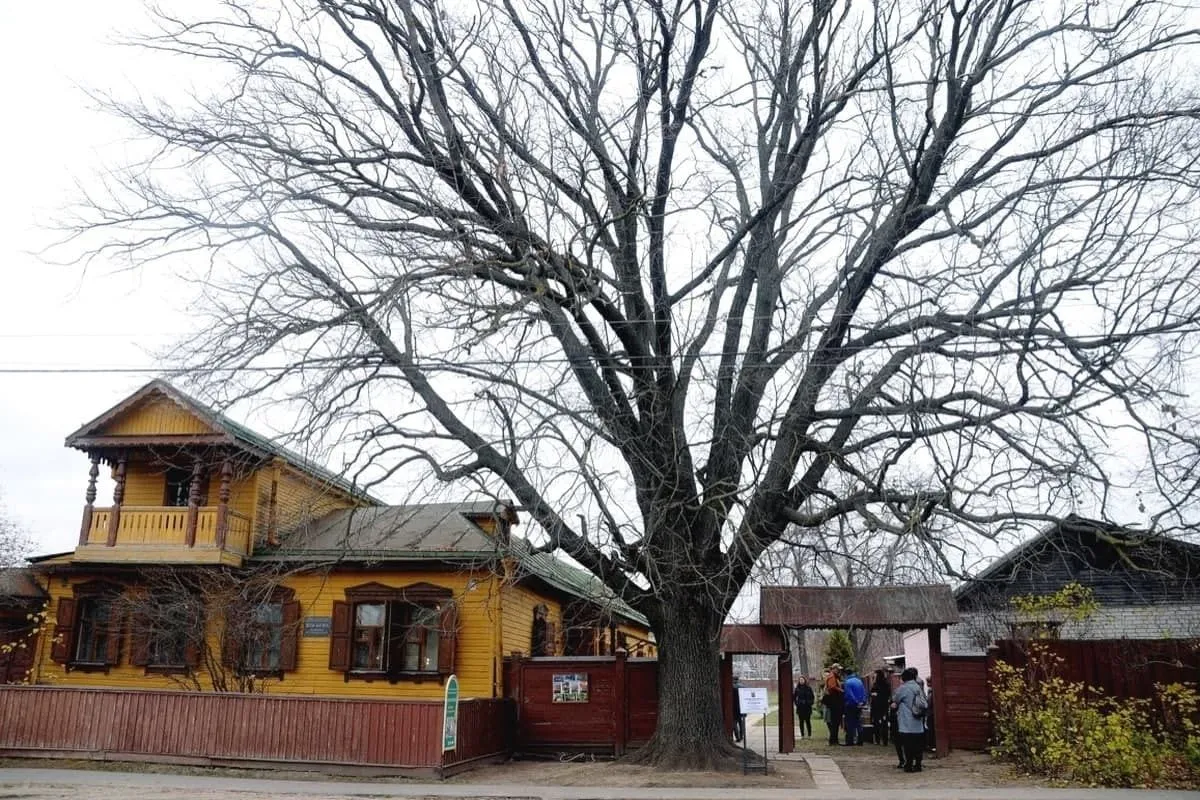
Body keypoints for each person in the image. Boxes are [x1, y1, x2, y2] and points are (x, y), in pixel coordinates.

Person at [892, 667, 927, 772]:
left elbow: (896, 699)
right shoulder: (918, 687)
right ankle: (918, 764)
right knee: (918, 745)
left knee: (908, 745)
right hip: (918, 722)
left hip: (907, 722)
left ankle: (909, 764)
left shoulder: (903, 688)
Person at [842, 668, 867, 746]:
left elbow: (849, 694)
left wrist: (855, 702)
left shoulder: (847, 682)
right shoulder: (859, 681)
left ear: (845, 674)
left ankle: (850, 741)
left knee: (850, 723)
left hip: (851, 705)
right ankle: (860, 740)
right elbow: (864, 692)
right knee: (858, 722)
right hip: (860, 704)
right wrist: (862, 702)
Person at [823, 664, 844, 745]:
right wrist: (841, 690)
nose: (839, 671)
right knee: (835, 721)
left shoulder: (833, 676)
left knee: (835, 721)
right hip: (834, 701)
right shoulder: (832, 676)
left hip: (833, 701)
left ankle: (834, 739)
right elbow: (832, 687)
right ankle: (833, 740)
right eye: (838, 669)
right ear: (834, 669)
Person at [870, 669, 892, 745]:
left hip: (878, 705)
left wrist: (875, 695)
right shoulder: (886, 683)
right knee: (883, 722)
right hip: (884, 705)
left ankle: (878, 739)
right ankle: (884, 740)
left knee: (878, 722)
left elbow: (873, 693)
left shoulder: (878, 684)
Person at [731, 674, 746, 743]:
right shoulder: (743, 686)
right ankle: (742, 736)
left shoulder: (731, 687)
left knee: (734, 724)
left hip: (734, 708)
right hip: (742, 707)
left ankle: (737, 737)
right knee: (741, 723)